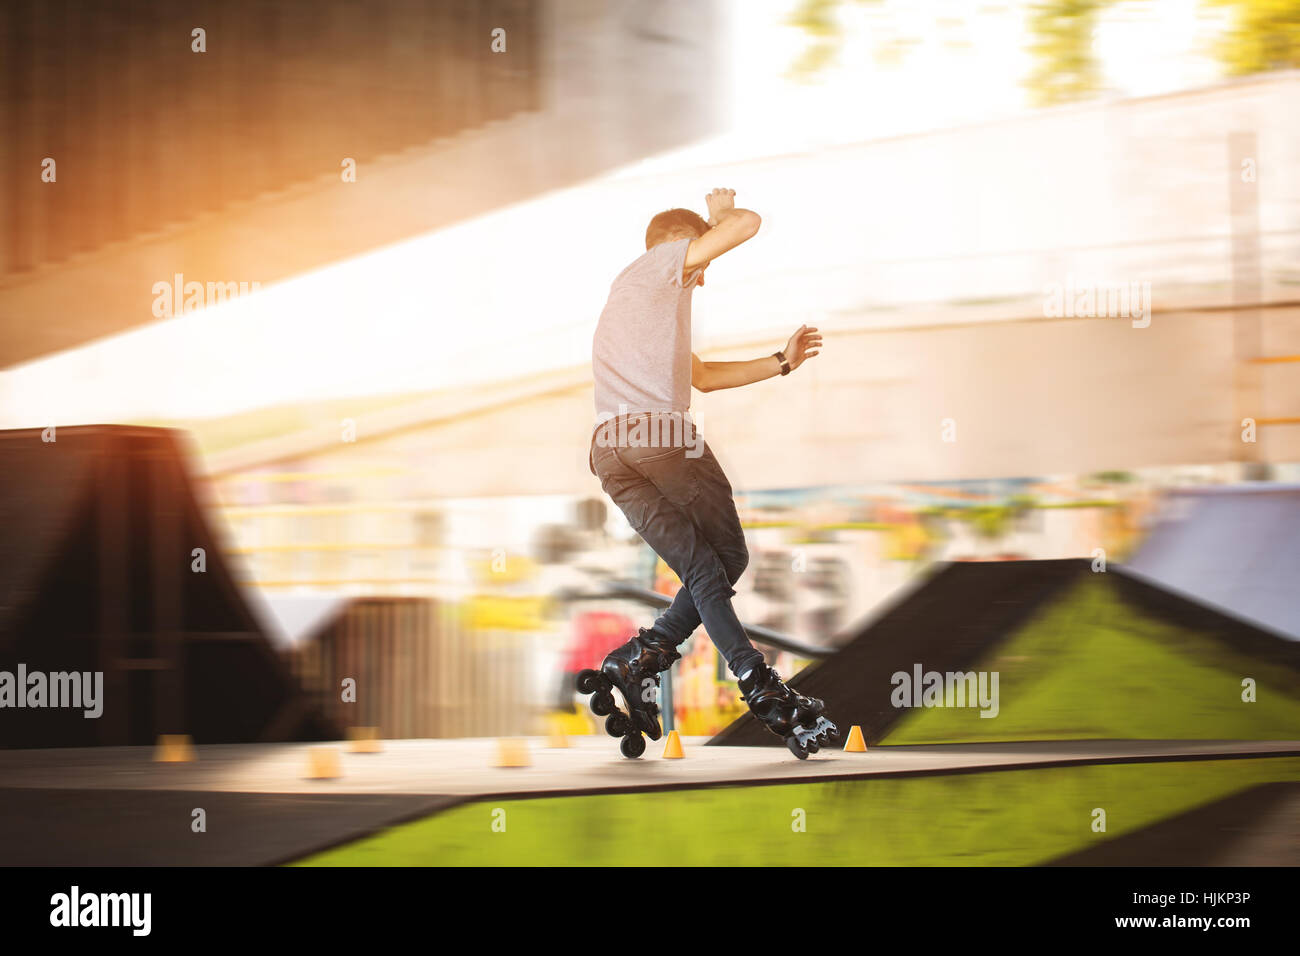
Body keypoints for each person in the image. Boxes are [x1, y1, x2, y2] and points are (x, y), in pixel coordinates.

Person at [577, 188, 838, 759]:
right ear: (679, 247)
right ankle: (755, 679)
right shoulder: (657, 265)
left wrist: (782, 361)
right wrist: (719, 217)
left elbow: (704, 377)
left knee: (705, 568)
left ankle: (640, 658)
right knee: (729, 558)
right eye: (703, 262)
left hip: (611, 454)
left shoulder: (635, 310)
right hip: (658, 438)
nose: (704, 276)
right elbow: (745, 223)